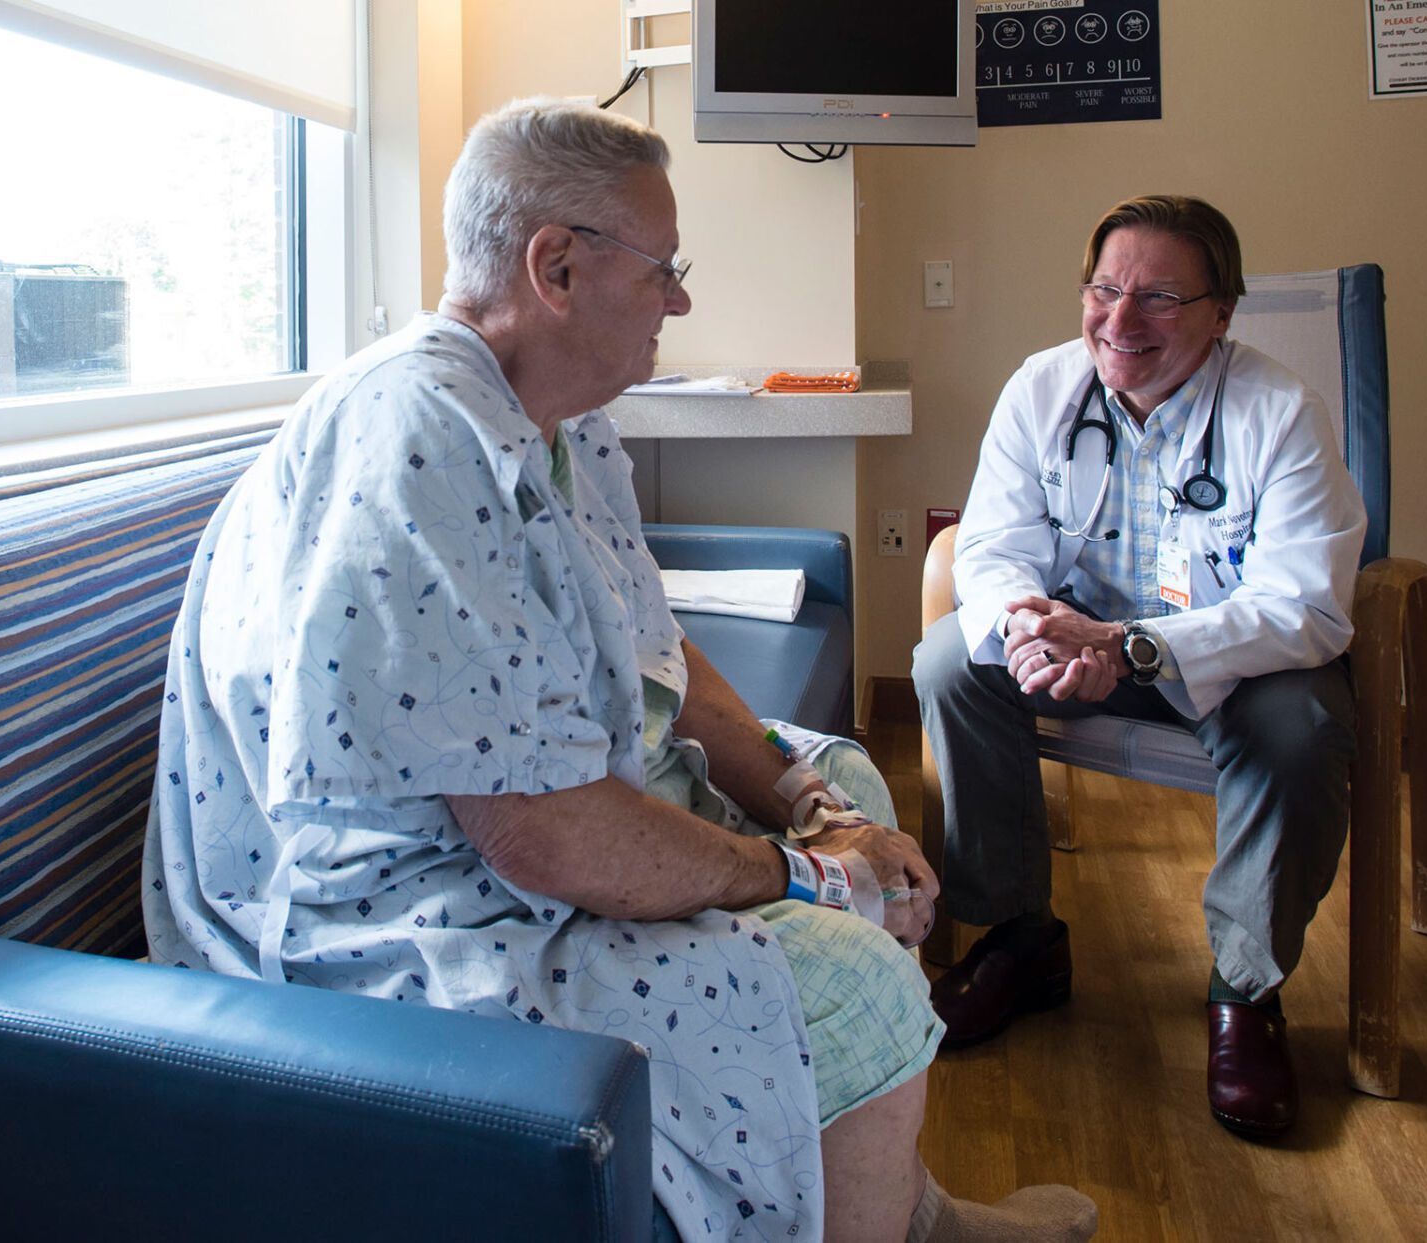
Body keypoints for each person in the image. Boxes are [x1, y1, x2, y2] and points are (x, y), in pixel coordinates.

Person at [144, 97, 1095, 1242]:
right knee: (851, 976)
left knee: (854, 781)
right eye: (662, 269)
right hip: (409, 915)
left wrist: (802, 801)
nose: (681, 299)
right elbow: (540, 837)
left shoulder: (562, 415)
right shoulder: (414, 444)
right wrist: (800, 876)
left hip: (528, 822)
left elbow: (650, 639)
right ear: (554, 266)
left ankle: (901, 1204)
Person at [915, 194, 1367, 1139]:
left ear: (1222, 311)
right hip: (1078, 646)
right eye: (1106, 290)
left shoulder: (1280, 414)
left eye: (1160, 298)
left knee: (1307, 726)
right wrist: (1033, 632)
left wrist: (1130, 649)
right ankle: (1021, 939)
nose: (1121, 323)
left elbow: (1307, 606)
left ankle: (1244, 991)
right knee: (953, 660)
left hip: (1230, 666)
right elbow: (990, 548)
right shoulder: (1042, 388)